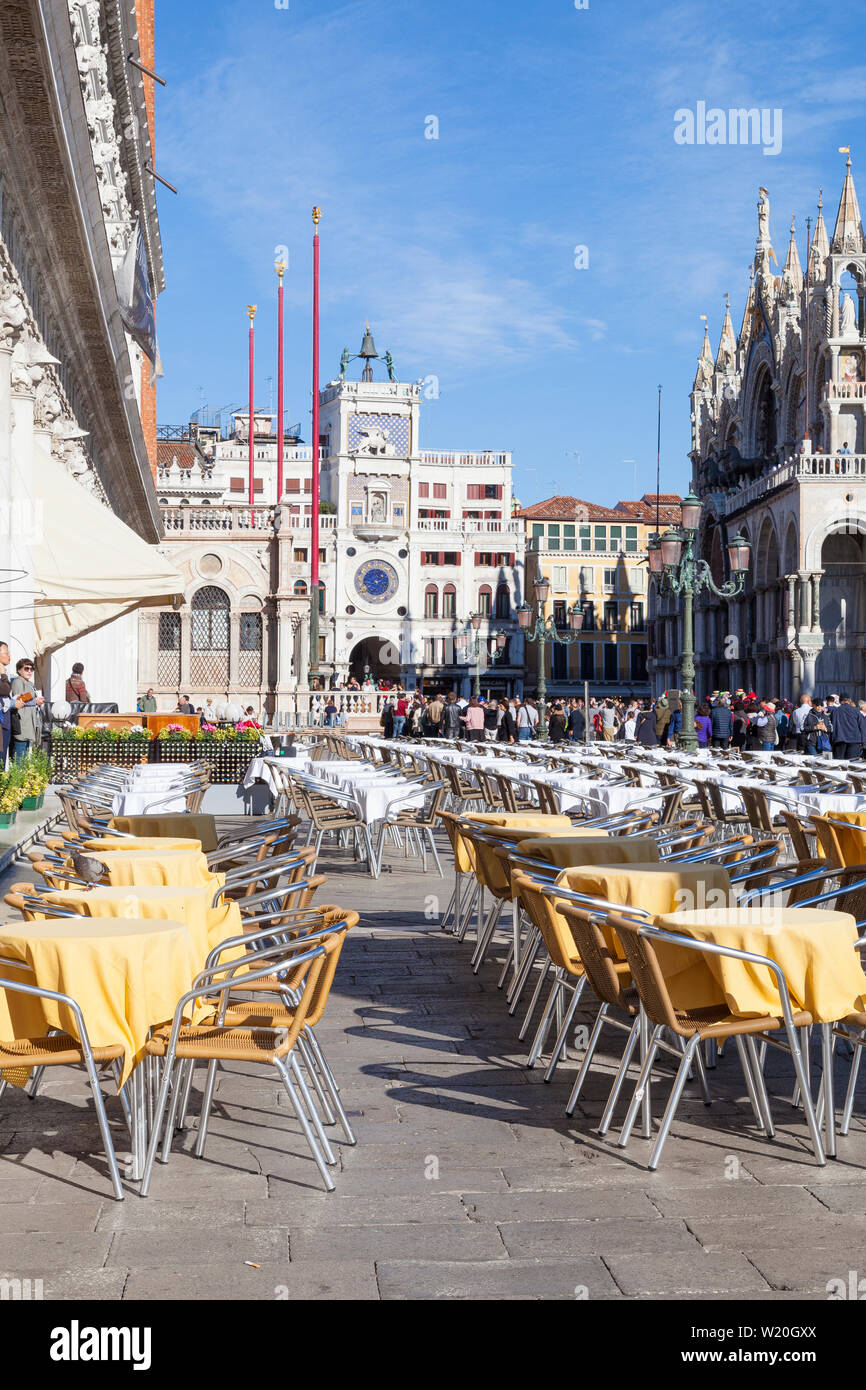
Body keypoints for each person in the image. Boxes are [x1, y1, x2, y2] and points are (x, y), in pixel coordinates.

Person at [10, 657, 44, 761]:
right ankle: (18, 777)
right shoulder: (18, 681)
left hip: (31, 723)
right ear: (19, 670)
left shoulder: (30, 683)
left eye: (31, 669)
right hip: (22, 723)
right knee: (20, 756)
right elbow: (19, 700)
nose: (29, 671)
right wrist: (35, 701)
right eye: (26, 668)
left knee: (26, 756)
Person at [830, 694, 862, 760]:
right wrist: (863, 742)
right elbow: (862, 726)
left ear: (840, 701)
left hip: (839, 741)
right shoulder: (856, 711)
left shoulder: (835, 711)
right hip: (854, 741)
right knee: (852, 766)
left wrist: (831, 741)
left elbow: (832, 726)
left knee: (839, 765)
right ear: (849, 700)